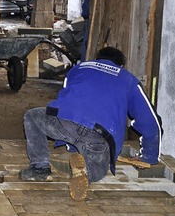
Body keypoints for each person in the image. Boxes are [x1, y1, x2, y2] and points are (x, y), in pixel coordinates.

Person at [19, 46, 163, 201]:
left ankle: (40, 168)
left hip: (65, 123)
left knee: (32, 116)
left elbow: (65, 98)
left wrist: (71, 145)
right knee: (98, 172)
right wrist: (149, 157)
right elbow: (149, 121)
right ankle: (86, 172)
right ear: (121, 65)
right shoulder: (128, 79)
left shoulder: (79, 68)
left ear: (97, 58)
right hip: (98, 135)